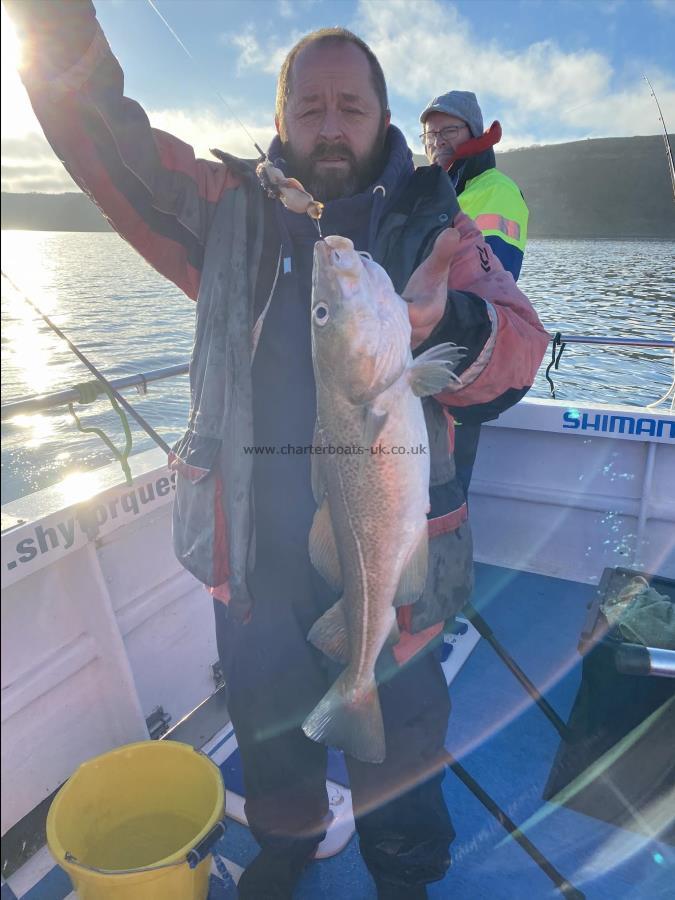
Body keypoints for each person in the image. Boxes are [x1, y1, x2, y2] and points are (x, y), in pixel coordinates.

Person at [8, 3, 549, 898]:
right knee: (264, 717)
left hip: (390, 537)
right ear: (279, 120)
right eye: (308, 108)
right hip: (254, 541)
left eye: (350, 106)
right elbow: (102, 131)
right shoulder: (223, 213)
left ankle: (404, 870)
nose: (329, 126)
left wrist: (444, 321)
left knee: (406, 724)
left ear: (382, 118)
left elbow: (518, 352)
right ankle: (289, 843)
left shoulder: (439, 221)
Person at [420, 91, 531, 497]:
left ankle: (446, 556)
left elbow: (490, 277)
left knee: (443, 493)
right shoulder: (443, 184)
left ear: (475, 131)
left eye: (448, 130)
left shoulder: (494, 188)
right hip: (427, 356)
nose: (437, 142)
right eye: (429, 136)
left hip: (461, 358)